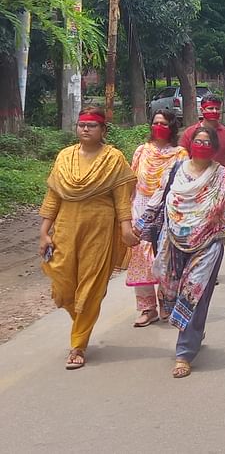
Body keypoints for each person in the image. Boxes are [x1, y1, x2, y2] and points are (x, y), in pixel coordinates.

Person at [136, 127, 225, 378]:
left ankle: (184, 353)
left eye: (207, 142)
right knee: (171, 294)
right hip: (171, 244)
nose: (202, 145)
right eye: (197, 141)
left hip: (207, 245)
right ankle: (193, 332)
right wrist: (138, 227)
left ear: (215, 147)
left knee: (194, 297)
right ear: (190, 144)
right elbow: (157, 199)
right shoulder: (174, 171)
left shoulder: (223, 177)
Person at [38, 107, 138, 369]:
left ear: (103, 130)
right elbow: (53, 197)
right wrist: (44, 233)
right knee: (63, 286)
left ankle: (78, 345)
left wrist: (126, 229)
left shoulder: (113, 159)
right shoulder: (64, 157)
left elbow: (122, 199)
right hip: (65, 229)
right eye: (81, 125)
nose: (85, 129)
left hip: (99, 229)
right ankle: (82, 322)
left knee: (91, 287)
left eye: (91, 126)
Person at [127, 109, 188, 327]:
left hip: (167, 211)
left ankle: (166, 302)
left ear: (172, 127)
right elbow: (131, 182)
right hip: (141, 209)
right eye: (155, 122)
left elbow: (183, 185)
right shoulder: (142, 151)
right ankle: (147, 308)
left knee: (165, 258)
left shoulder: (180, 154)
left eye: (164, 123)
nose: (159, 126)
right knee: (141, 259)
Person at [179, 93, 225, 186]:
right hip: (193, 183)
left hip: (218, 183)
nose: (214, 111)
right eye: (210, 108)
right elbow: (181, 159)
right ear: (202, 110)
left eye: (217, 108)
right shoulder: (189, 133)